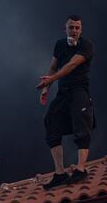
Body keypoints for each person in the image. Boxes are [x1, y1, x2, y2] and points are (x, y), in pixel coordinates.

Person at [37, 14, 96, 189]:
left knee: (82, 126)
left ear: (81, 29)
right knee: (51, 122)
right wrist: (47, 88)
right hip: (63, 92)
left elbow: (71, 65)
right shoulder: (60, 44)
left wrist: (50, 80)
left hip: (80, 91)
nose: (75, 30)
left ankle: (81, 170)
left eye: (78, 27)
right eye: (71, 27)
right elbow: (54, 66)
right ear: (65, 28)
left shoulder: (87, 45)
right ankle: (60, 173)